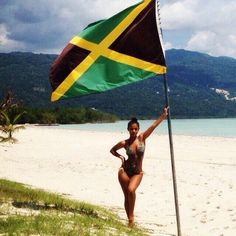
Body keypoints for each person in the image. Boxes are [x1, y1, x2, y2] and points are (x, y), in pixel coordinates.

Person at [110, 107, 169, 226]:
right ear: (128, 129)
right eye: (131, 129)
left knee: (131, 190)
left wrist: (163, 115)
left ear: (138, 129)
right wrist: (121, 157)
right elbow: (112, 150)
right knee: (127, 195)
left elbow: (153, 126)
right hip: (124, 171)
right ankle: (130, 220)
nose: (133, 131)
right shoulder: (124, 143)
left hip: (138, 172)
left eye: (135, 129)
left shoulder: (142, 138)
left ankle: (131, 218)